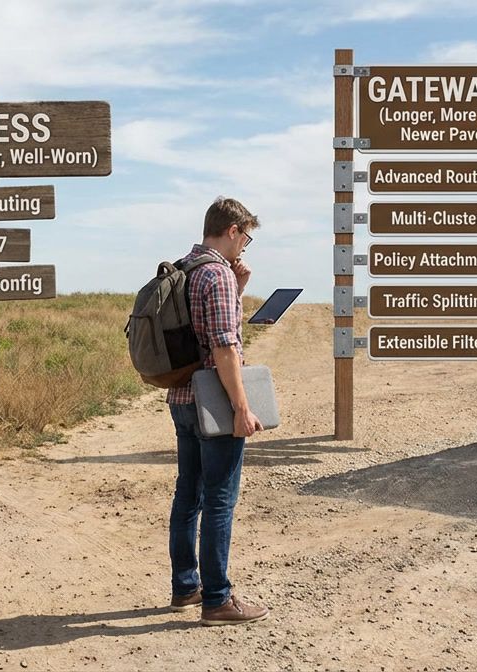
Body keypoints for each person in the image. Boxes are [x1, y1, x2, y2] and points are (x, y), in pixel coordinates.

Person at [165, 196, 269, 626]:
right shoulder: (218, 275)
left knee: (188, 494)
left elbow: (199, 332)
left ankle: (186, 587)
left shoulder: (183, 269)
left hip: (182, 398)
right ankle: (218, 600)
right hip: (214, 402)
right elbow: (225, 347)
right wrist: (242, 409)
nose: (245, 246)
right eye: (245, 237)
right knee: (221, 500)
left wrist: (239, 289)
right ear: (231, 231)